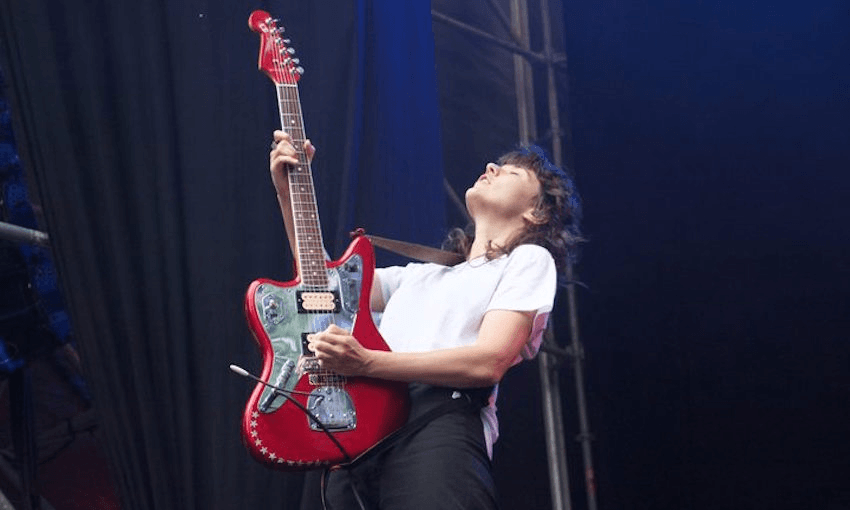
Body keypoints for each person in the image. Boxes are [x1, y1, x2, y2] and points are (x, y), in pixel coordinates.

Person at [269, 130, 583, 510]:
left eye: (511, 173)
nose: (490, 167)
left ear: (536, 212)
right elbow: (320, 290)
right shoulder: (420, 275)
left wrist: (368, 362)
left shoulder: (529, 260)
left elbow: (489, 361)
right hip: (364, 437)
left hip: (440, 426)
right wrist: (291, 195)